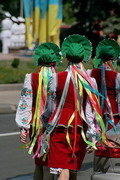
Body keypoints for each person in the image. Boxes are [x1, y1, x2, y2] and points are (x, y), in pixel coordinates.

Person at [40, 35, 111, 180]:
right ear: (84, 57)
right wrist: (92, 134)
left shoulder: (56, 78)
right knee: (72, 169)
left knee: (63, 168)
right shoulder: (90, 81)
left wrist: (45, 122)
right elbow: (91, 110)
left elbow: (50, 106)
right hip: (80, 129)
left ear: (67, 57)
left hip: (59, 127)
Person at [15, 42, 61, 180]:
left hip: (36, 124)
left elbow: (25, 102)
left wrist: (24, 126)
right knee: (48, 165)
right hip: (53, 124)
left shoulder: (31, 77)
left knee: (39, 164)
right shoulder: (60, 78)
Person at [87, 39, 120, 134]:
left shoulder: (90, 72)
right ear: (113, 57)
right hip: (113, 115)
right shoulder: (117, 76)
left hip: (94, 113)